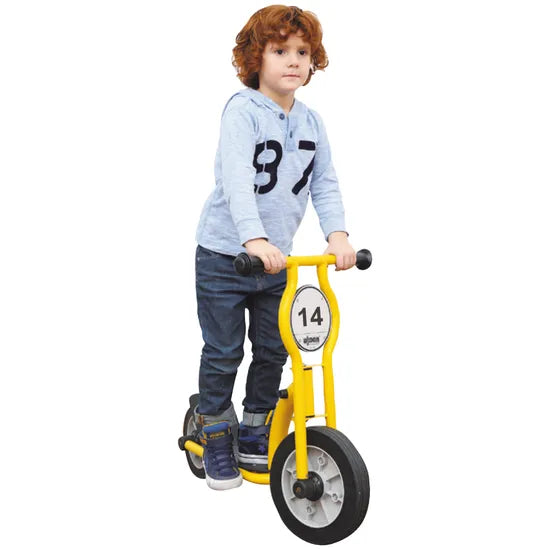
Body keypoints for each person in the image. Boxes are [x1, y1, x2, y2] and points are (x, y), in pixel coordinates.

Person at [193, 5, 356, 490]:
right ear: (255, 58)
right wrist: (254, 237)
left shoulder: (312, 122)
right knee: (224, 351)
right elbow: (237, 180)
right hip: (226, 255)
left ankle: (255, 427)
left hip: (276, 261)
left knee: (273, 350)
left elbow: (324, 182)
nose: (293, 61)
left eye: (302, 52)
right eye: (280, 50)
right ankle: (215, 430)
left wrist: (338, 234)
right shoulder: (242, 111)